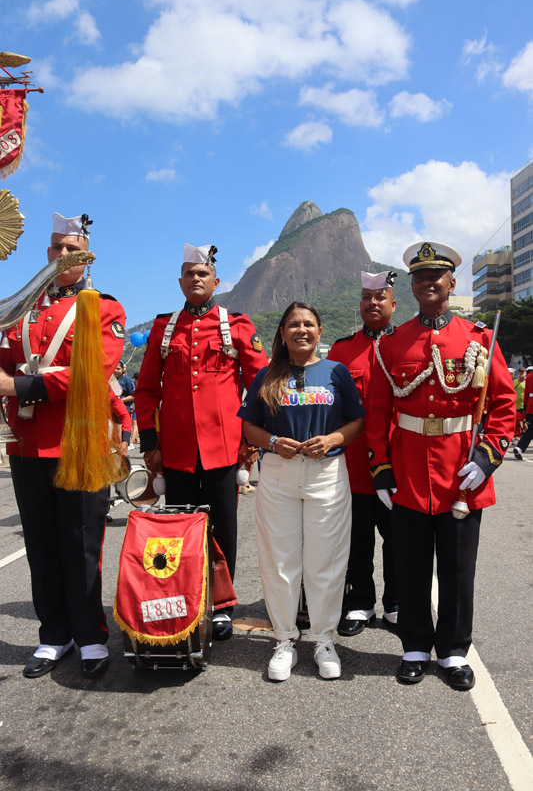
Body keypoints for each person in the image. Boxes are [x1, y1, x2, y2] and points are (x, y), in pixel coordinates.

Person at [366, 241, 515, 691]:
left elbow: (504, 404)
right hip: (410, 468)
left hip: (460, 472)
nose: (428, 283)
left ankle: (452, 650)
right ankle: (413, 644)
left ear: (452, 283)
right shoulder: (392, 343)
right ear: (411, 285)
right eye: (419, 277)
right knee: (410, 564)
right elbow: (376, 414)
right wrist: (381, 469)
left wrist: (487, 457)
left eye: (437, 277)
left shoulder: (478, 338)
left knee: (456, 568)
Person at [0, 212, 125, 679]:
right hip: (28, 446)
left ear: (86, 255)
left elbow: (89, 374)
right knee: (41, 546)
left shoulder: (102, 307)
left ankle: (91, 634)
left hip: (79, 445)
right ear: (47, 254)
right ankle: (54, 634)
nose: (63, 255)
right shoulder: (20, 310)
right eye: (56, 247)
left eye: (73, 248)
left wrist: (17, 386)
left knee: (81, 544)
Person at [134, 243, 268, 640]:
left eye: (202, 273)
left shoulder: (237, 324)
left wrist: (251, 442)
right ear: (179, 282)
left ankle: (223, 604)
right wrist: (150, 443)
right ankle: (185, 595)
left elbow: (259, 386)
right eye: (189, 273)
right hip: (175, 451)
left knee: (223, 528)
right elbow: (145, 391)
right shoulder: (163, 328)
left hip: (223, 449)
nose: (196, 278)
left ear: (216, 281)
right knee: (179, 528)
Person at [238, 302, 365, 681]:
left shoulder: (336, 373)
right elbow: (249, 428)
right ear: (282, 333)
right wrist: (274, 441)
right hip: (278, 474)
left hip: (326, 472)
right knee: (280, 561)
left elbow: (357, 420)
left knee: (325, 561)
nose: (302, 330)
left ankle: (324, 640)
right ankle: (284, 640)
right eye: (293, 324)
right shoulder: (265, 375)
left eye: (309, 323)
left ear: (319, 331)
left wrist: (334, 438)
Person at [328, 271, 398, 636]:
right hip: (353, 465)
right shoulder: (341, 351)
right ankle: (360, 603)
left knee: (399, 540)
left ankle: (396, 603)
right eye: (366, 297)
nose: (373, 303)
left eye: (380, 296)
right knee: (357, 541)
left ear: (393, 304)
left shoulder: (406, 345)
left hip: (399, 463)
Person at [514, 366, 533, 459]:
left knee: (531, 429)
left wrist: (525, 405)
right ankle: (520, 447)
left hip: (530, 405)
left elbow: (526, 393)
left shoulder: (529, 376)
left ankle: (520, 447)